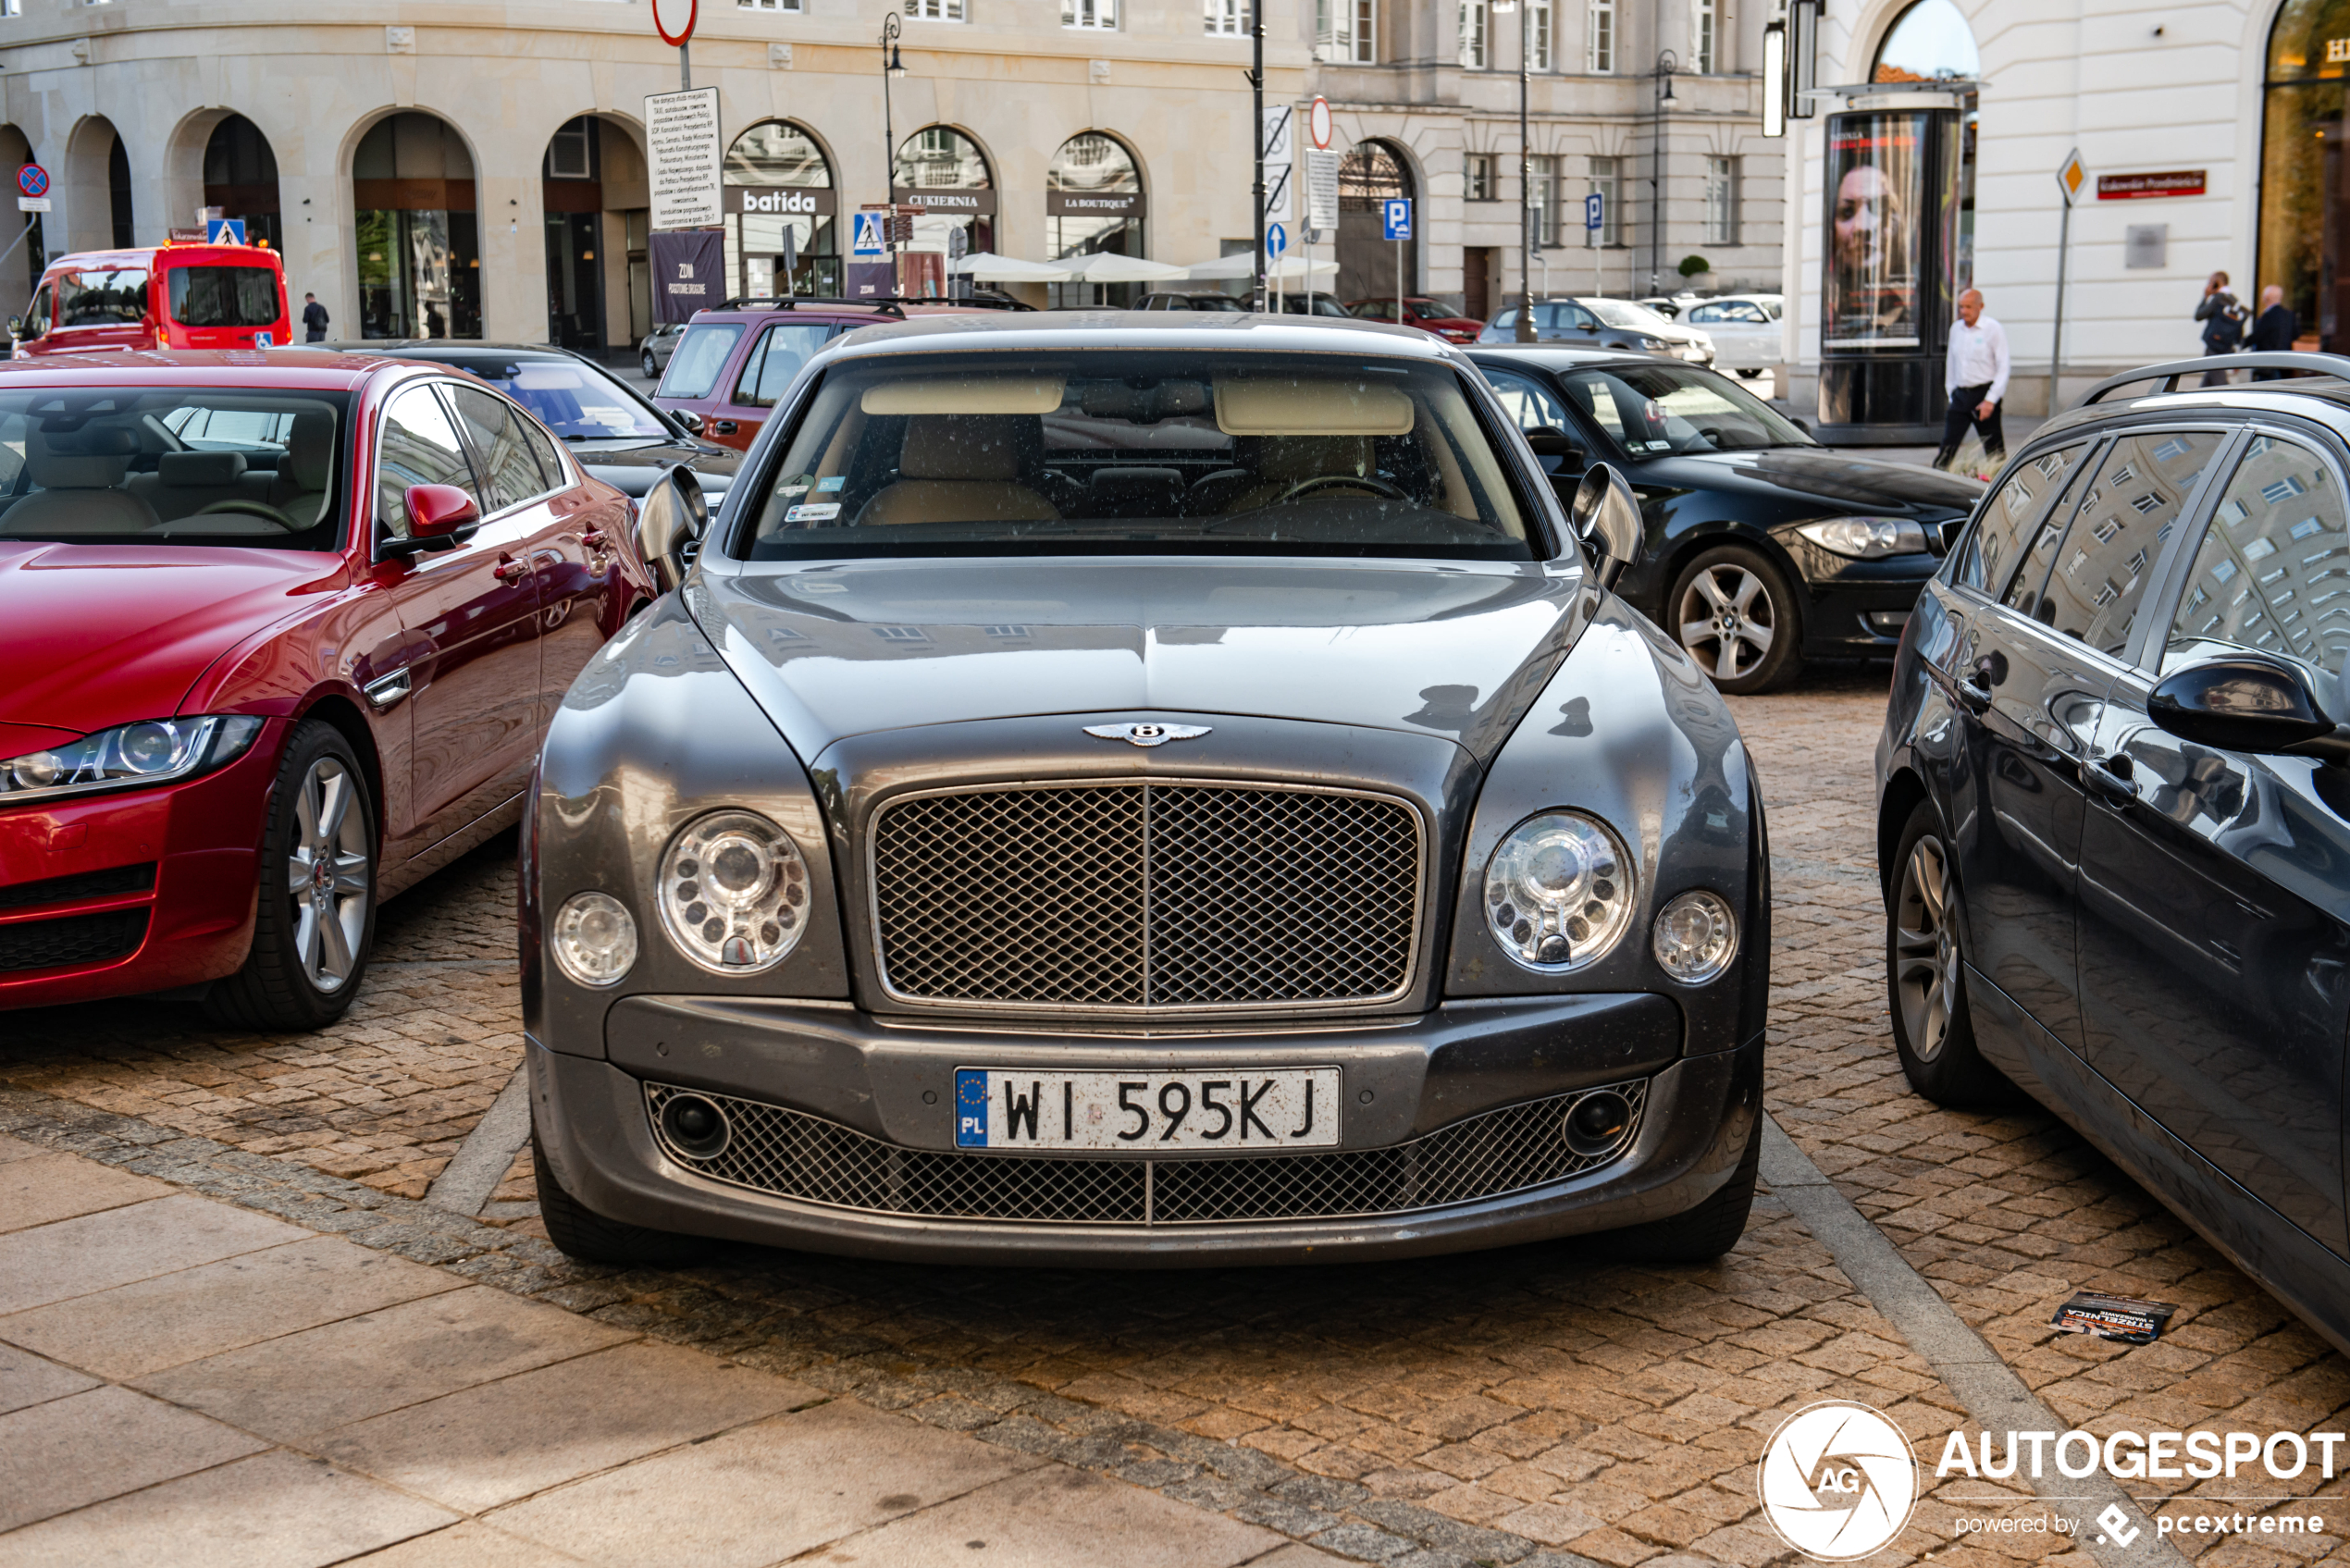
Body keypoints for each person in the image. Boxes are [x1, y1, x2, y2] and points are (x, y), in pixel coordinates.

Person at [1935, 288, 2009, 471]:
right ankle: (1936, 481)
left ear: (1980, 306)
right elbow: (1951, 363)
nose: (1964, 311)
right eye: (1961, 307)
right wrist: (1952, 393)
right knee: (1947, 445)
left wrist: (1990, 400)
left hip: (1984, 394)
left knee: (1994, 448)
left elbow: (2003, 366)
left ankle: (2002, 482)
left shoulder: (1993, 329)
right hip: (1960, 394)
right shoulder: (1956, 329)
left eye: (1968, 307)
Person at [2194, 270, 2244, 387]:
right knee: (2207, 385)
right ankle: (2199, 403)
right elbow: (2239, 327)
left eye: (2210, 282)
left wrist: (2205, 297)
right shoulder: (2234, 300)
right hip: (2225, 347)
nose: (2208, 285)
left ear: (2216, 283)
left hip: (2213, 348)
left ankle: (2234, 403)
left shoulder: (2218, 298)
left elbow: (2199, 315)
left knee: (2221, 385)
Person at [2250, 285, 2298, 379]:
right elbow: (2296, 334)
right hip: (2284, 362)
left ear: (2266, 298)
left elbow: (2257, 336)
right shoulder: (2289, 315)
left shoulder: (2268, 316)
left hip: (2267, 362)